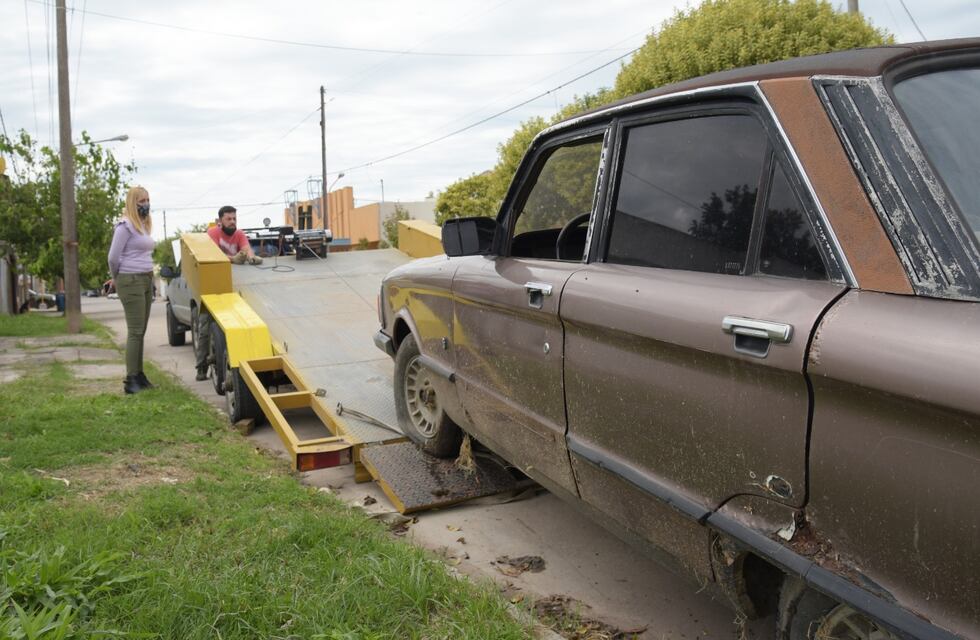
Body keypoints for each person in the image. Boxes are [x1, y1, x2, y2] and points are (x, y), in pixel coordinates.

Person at [107, 185, 156, 394]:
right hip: (130, 279)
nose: (145, 204)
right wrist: (116, 278)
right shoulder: (124, 226)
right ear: (132, 202)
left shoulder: (142, 225)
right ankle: (131, 380)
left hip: (145, 278)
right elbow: (112, 257)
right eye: (141, 201)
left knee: (141, 331)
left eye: (147, 200)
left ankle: (139, 374)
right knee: (135, 331)